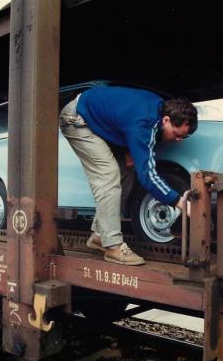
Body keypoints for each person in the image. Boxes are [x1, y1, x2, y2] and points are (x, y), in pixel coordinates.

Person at [59, 85, 198, 266]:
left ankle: (101, 236)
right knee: (108, 174)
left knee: (126, 175)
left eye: (182, 138)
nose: (178, 140)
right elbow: (148, 176)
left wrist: (129, 148)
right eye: (177, 134)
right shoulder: (143, 124)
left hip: (95, 118)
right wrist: (180, 203)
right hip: (77, 119)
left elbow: (123, 120)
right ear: (166, 120)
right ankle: (113, 247)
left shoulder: (157, 110)